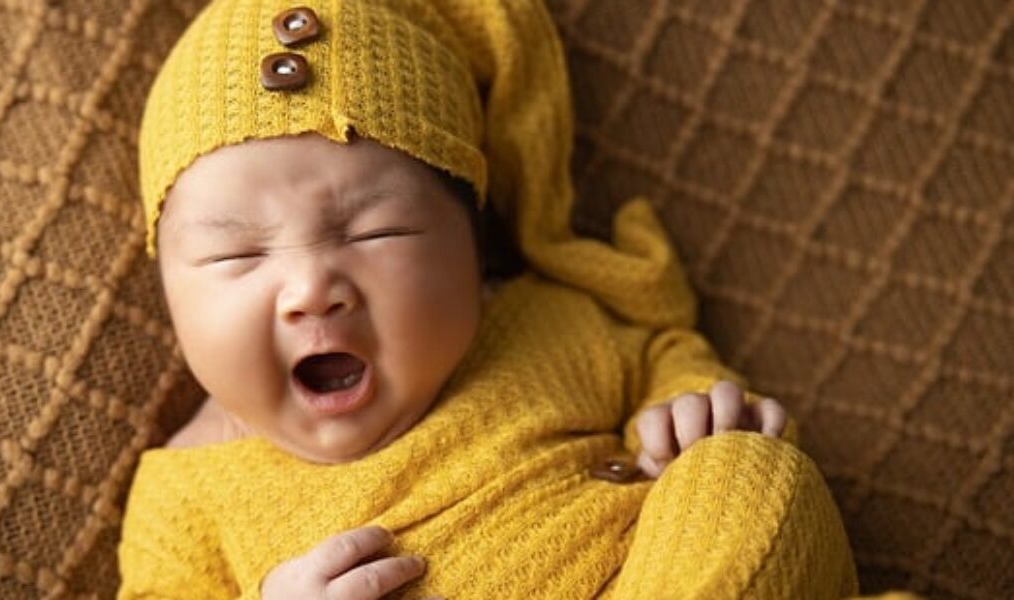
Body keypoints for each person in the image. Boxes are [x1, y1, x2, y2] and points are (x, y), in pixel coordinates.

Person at [117, 1, 862, 598]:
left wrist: (692, 410)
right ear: (169, 288)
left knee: (753, 473)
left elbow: (666, 359)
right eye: (237, 254)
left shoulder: (550, 323)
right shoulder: (184, 490)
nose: (311, 289)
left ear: (472, 243)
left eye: (375, 232)